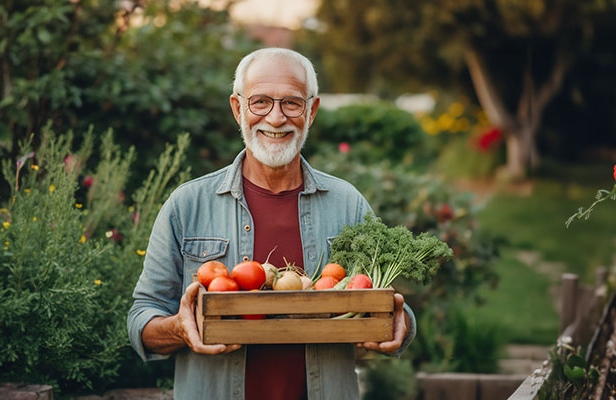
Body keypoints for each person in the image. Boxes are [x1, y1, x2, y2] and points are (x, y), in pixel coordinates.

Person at [127, 48, 416, 400]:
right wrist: (179, 328)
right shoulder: (187, 205)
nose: (276, 118)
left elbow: (389, 305)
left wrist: (399, 324)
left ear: (311, 112)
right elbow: (142, 317)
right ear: (238, 109)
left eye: (292, 103)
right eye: (260, 102)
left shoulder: (347, 203)